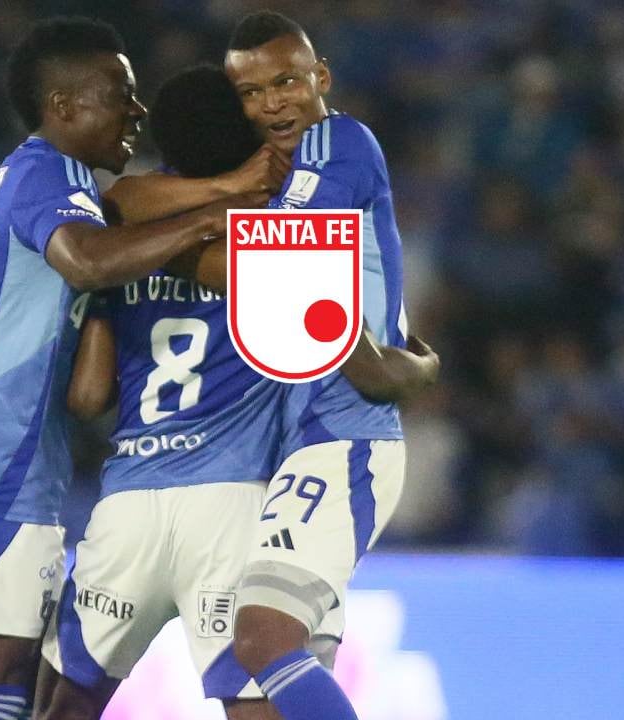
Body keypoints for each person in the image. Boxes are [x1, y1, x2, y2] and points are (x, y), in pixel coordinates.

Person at [36, 64, 438, 720]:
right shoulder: (276, 228)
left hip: (130, 502)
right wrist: (415, 368)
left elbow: (89, 396)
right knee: (261, 695)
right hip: (234, 503)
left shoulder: (127, 231)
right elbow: (343, 341)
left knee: (58, 707)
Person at [0, 19, 270, 720]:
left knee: (15, 690)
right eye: (119, 94)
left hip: (8, 452)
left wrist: (218, 195)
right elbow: (88, 260)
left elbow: (88, 386)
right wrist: (212, 218)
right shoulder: (46, 175)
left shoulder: (62, 185)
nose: (137, 110)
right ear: (64, 106)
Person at [190, 12, 418, 720]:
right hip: (297, 445)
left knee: (262, 636)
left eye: (286, 82)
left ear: (321, 78)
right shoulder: (274, 172)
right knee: (265, 693)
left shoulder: (337, 143)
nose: (272, 104)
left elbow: (278, 263)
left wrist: (164, 242)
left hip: (344, 436)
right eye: (251, 93)